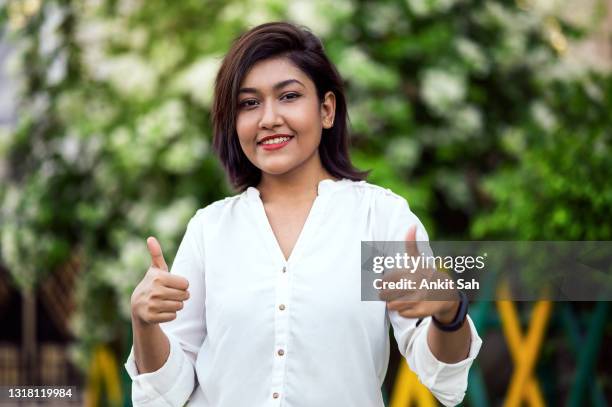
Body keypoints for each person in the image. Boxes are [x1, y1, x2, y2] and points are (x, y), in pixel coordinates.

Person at [125, 21, 482, 407]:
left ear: (326, 109)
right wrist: (144, 323)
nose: (268, 118)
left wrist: (450, 310)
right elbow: (167, 393)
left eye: (289, 96)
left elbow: (443, 379)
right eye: (249, 103)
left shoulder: (379, 218)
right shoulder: (209, 230)